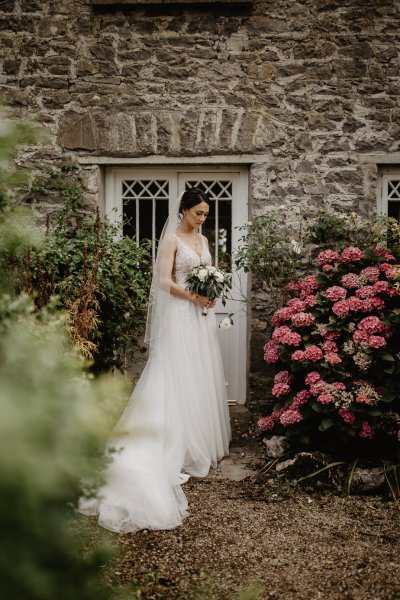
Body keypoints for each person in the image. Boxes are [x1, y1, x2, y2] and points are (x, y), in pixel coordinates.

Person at [78, 187, 231, 533]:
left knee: (198, 373)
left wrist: (209, 294)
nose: (202, 219)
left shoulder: (204, 242)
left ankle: (197, 438)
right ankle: (162, 442)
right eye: (198, 214)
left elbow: (207, 274)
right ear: (184, 211)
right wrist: (193, 296)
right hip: (179, 314)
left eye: (206, 214)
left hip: (199, 317)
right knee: (174, 373)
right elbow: (163, 281)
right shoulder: (172, 240)